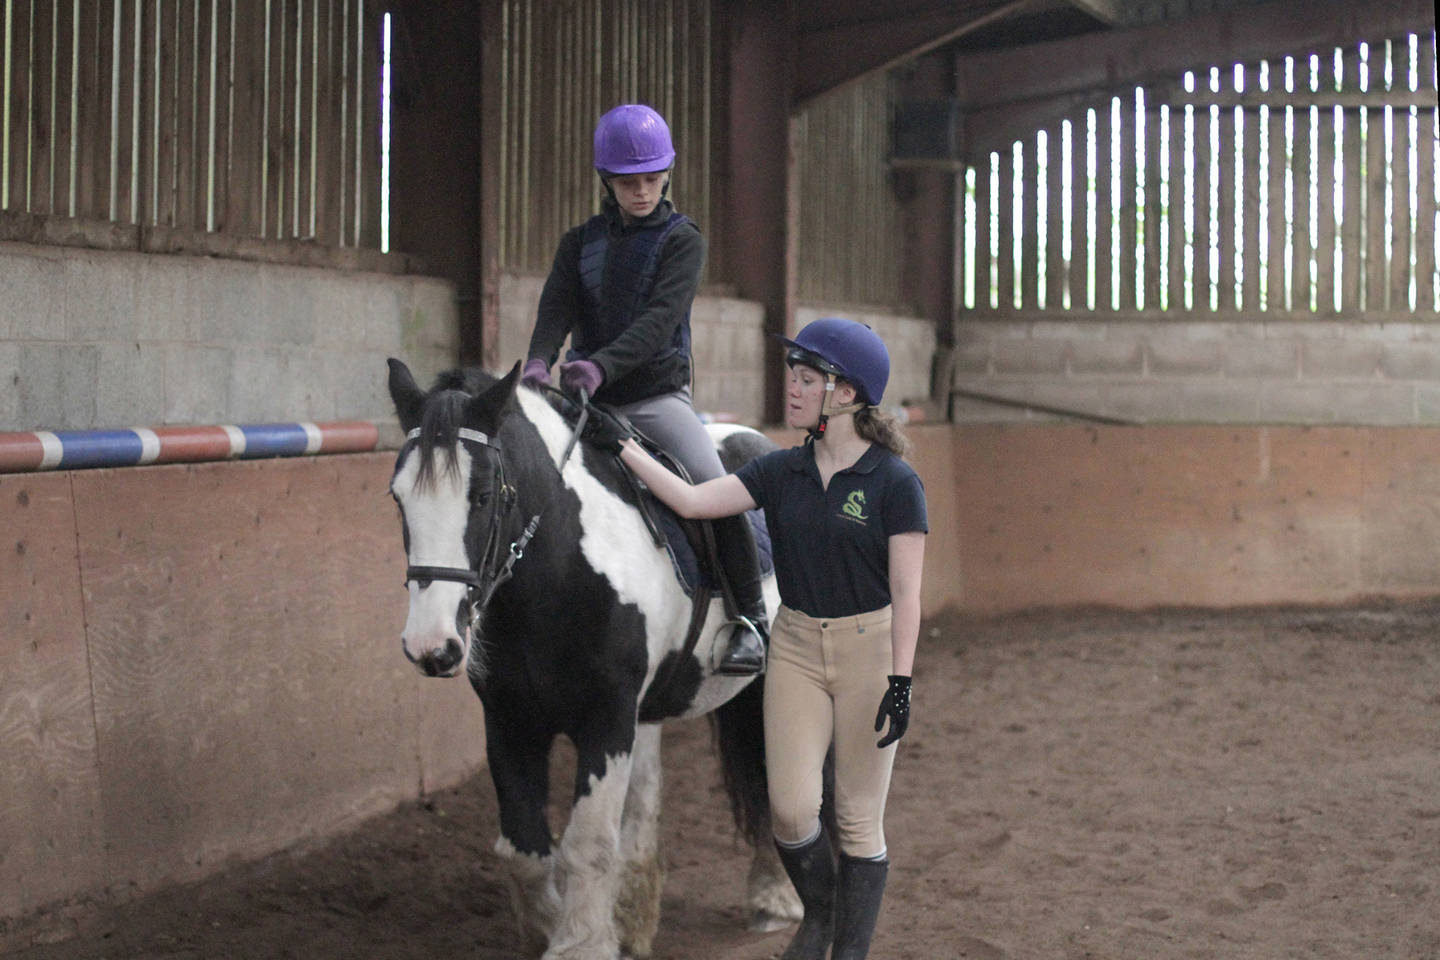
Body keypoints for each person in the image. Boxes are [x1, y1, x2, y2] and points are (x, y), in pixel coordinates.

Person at [598, 316, 928, 960]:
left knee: (858, 819)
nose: (793, 389)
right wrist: (624, 449)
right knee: (791, 810)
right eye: (794, 376)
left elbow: (909, 591)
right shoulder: (779, 470)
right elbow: (693, 503)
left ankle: (844, 950)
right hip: (797, 646)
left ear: (847, 394)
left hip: (871, 649)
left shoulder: (895, 483)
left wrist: (902, 682)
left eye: (807, 378)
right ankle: (823, 915)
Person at [521, 103, 766, 675]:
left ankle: (749, 620)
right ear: (607, 180)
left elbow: (659, 320)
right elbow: (556, 306)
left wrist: (602, 364)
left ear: (666, 175)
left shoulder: (683, 241)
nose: (642, 191)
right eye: (630, 182)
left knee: (714, 484)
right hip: (586, 400)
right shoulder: (578, 242)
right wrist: (538, 361)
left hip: (653, 401)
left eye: (653, 179)